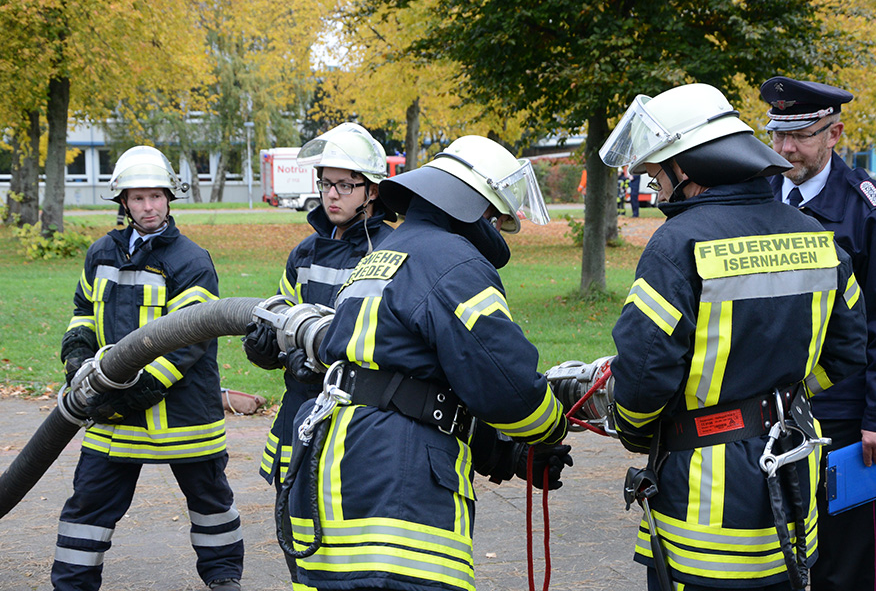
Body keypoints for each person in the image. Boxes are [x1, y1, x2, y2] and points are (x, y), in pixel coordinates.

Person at [272, 135, 573, 591]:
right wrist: (547, 427)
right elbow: (504, 382)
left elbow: (412, 385)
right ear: (475, 208)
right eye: (494, 215)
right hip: (398, 488)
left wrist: (504, 453)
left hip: (335, 471)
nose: (494, 226)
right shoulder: (455, 262)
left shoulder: (384, 256)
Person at [598, 83, 868, 590]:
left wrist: (635, 430)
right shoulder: (814, 234)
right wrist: (782, 397)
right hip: (791, 480)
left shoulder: (677, 243)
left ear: (691, 169)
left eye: (658, 175)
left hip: (702, 513)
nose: (655, 191)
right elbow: (850, 348)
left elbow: (644, 370)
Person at [54, 146, 243, 591]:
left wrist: (131, 392)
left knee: (210, 504)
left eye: (156, 196)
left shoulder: (191, 261)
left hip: (182, 416)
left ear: (169, 198)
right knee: (87, 509)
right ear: (123, 202)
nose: (149, 207)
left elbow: (188, 341)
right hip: (111, 413)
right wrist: (78, 356)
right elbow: (83, 311)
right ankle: (71, 585)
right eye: (138, 198)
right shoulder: (101, 253)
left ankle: (224, 580)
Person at [760, 75, 876, 591]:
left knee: (845, 563)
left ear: (835, 133)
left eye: (800, 135)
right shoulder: (760, 195)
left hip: (842, 414)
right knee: (773, 553)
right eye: (777, 135)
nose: (785, 148)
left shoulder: (870, 208)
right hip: (769, 408)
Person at [241, 122, 397, 576]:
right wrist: (265, 346)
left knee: (349, 540)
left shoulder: (389, 251)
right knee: (297, 532)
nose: (332, 195)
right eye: (326, 183)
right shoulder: (304, 252)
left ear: (371, 190)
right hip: (298, 410)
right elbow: (280, 314)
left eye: (345, 185)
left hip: (355, 416)